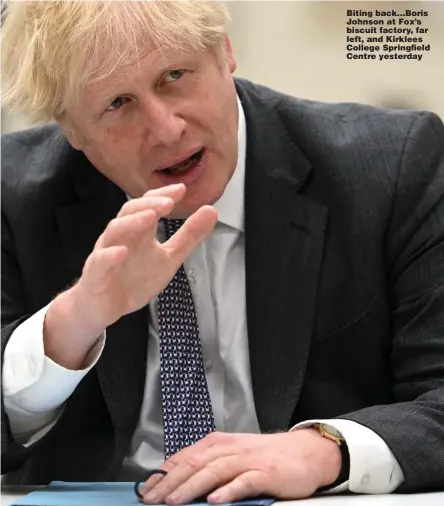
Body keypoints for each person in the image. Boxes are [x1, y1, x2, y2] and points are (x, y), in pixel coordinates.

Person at [1, 1, 443, 503]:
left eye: (174, 75)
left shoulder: (392, 167)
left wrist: (323, 450)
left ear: (224, 52)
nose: (166, 129)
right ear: (73, 129)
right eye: (118, 104)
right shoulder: (14, 192)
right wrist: (73, 323)